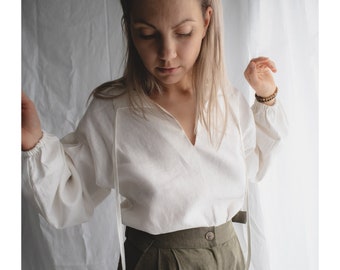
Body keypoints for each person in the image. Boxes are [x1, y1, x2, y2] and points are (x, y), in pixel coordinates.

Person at [22, 0, 287, 269]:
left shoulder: (226, 100)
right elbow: (71, 194)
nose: (167, 53)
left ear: (206, 21)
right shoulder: (113, 111)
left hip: (230, 256)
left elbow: (253, 165)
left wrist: (267, 98)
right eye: (147, 34)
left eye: (183, 33)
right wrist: (34, 142)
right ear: (129, 29)